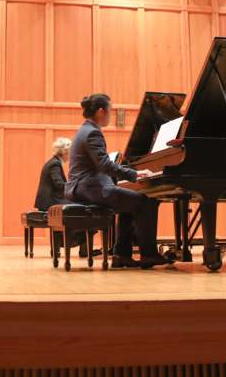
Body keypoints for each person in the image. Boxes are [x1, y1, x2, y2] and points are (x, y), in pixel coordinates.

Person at [65, 93, 172, 269]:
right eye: (110, 111)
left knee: (128, 204)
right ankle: (149, 255)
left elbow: (101, 166)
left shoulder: (84, 130)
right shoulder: (92, 132)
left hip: (84, 186)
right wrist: (134, 174)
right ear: (101, 111)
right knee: (146, 202)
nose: (110, 114)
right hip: (90, 187)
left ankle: (122, 255)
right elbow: (105, 165)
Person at [34, 137, 72, 212]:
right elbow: (59, 184)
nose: (70, 156)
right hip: (49, 202)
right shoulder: (55, 163)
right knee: (77, 206)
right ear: (65, 152)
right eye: (70, 152)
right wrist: (72, 188)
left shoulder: (53, 162)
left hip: (47, 200)